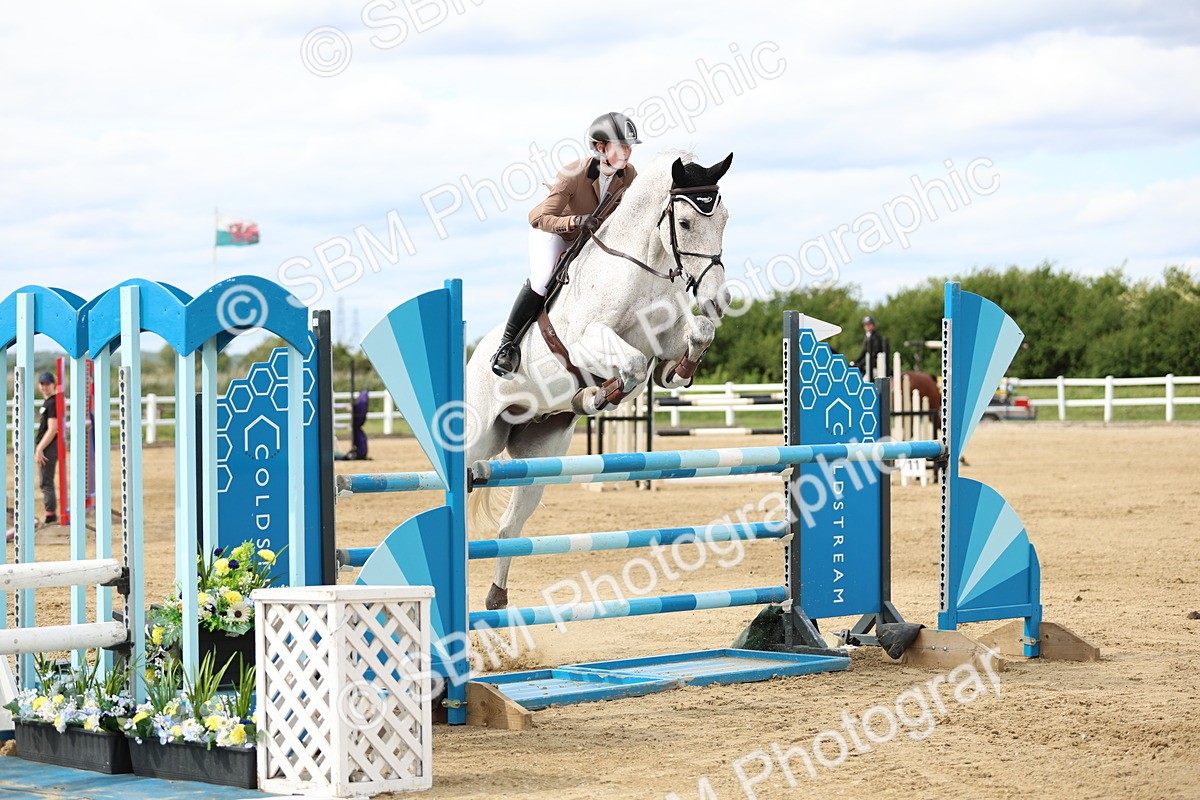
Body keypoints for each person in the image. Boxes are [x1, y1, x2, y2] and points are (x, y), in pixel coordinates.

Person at [490, 111, 641, 378]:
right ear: (600, 147)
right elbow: (538, 217)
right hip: (554, 233)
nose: (627, 153)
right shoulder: (573, 174)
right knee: (543, 278)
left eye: (629, 147)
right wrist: (574, 222)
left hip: (589, 240)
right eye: (621, 147)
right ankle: (506, 347)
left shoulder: (629, 176)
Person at [34, 372, 60, 526]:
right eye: (42, 384)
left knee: (46, 482)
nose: (44, 387)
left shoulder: (52, 403)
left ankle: (50, 517)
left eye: (47, 384)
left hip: (48, 447)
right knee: (46, 481)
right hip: (47, 446)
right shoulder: (49, 402)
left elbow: (53, 429)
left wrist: (39, 448)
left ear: (53, 384)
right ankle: (50, 515)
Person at [850, 315, 885, 380]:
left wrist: (861, 363)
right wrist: (855, 361)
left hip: (876, 366)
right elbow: (864, 351)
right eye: (866, 325)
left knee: (865, 380)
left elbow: (874, 352)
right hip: (868, 364)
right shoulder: (867, 336)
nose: (867, 326)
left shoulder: (876, 337)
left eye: (869, 324)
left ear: (873, 325)